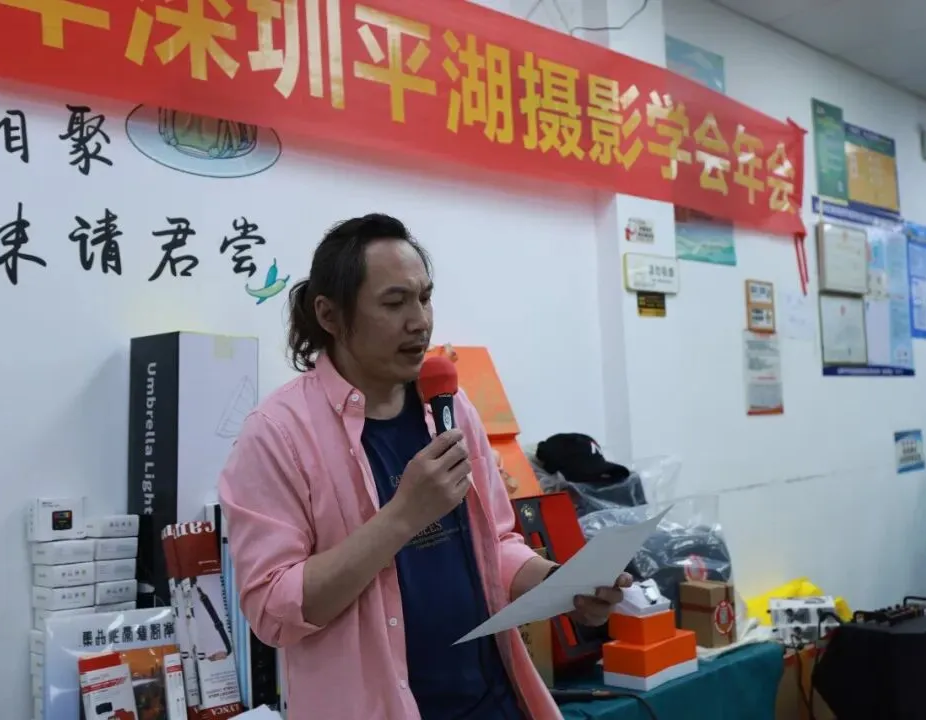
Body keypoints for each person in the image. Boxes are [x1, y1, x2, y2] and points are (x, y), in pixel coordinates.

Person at [220, 213, 632, 719]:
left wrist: (563, 586)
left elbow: (494, 543)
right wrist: (403, 515)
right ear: (329, 315)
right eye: (394, 303)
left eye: (424, 297)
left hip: (495, 703)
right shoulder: (276, 434)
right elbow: (272, 610)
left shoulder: (450, 407)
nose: (419, 321)